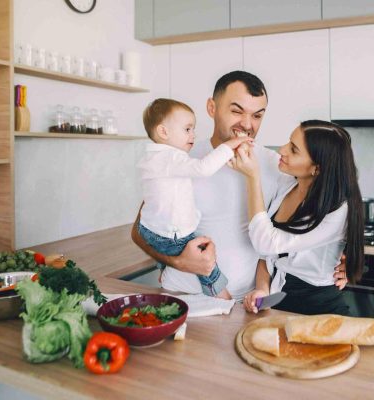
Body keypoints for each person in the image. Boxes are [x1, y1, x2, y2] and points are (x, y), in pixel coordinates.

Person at [131, 71, 349, 300]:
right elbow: (140, 231)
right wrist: (175, 261)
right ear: (212, 108)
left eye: (257, 115)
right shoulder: (182, 159)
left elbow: (321, 204)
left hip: (245, 302)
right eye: (236, 111)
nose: (247, 124)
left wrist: (342, 256)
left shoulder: (277, 165)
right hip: (181, 294)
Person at [230, 120, 364, 315]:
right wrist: (262, 289)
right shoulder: (288, 185)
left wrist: (252, 178)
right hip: (279, 303)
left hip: (319, 309)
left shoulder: (336, 211)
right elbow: (268, 256)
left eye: (293, 149)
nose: (282, 150)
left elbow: (265, 243)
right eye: (288, 142)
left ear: (316, 169)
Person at [136, 98, 252, 299]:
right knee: (204, 257)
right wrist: (229, 146)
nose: (193, 134)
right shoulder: (172, 157)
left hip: (149, 229)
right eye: (187, 129)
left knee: (168, 242)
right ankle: (219, 292)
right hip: (172, 234)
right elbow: (203, 168)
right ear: (163, 132)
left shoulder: (152, 158)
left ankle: (163, 269)